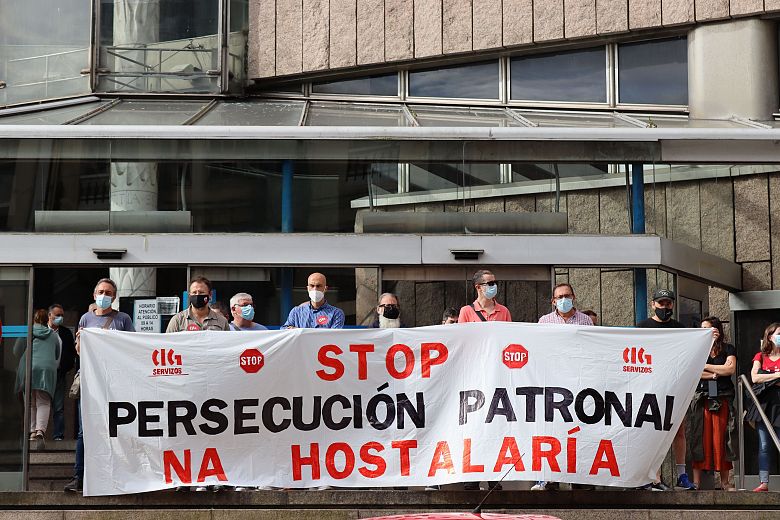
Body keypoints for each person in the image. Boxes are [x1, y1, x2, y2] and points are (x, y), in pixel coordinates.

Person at [65, 278, 135, 493]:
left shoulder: (122, 319)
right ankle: (79, 476)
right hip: (90, 382)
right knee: (84, 431)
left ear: (114, 297)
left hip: (114, 383)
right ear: (94, 295)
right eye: (101, 291)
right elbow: (80, 351)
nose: (104, 295)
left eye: (108, 292)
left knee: (115, 429)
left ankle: (117, 474)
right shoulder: (85, 319)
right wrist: (80, 341)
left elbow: (132, 346)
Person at [535, 283, 594, 491]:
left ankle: (578, 478)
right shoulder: (544, 322)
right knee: (553, 429)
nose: (563, 299)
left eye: (567, 295)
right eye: (559, 297)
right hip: (554, 382)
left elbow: (592, 349)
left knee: (578, 429)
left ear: (574, 297)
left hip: (578, 382)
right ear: (553, 301)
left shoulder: (585, 321)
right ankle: (550, 478)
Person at [636, 289, 695, 491]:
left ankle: (682, 476)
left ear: (673, 305)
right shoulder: (642, 327)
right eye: (660, 303)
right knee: (652, 431)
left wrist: (709, 337)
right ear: (653, 304)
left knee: (679, 430)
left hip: (675, 385)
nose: (664, 307)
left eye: (668, 303)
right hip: (650, 386)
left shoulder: (680, 328)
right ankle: (654, 477)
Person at [459, 269, 509, 491]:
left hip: (497, 376)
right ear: (478, 287)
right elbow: (462, 342)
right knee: (474, 426)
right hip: (474, 378)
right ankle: (472, 477)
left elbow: (509, 342)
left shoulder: (504, 311)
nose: (493, 286)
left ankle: (493, 477)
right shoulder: (466, 312)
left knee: (495, 425)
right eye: (489, 283)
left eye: (495, 282)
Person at [687, 316, 736, 491]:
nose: (704, 332)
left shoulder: (728, 348)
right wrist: (715, 373)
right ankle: (696, 482)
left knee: (722, 438)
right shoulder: (698, 349)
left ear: (717, 331)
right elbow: (693, 371)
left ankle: (724, 482)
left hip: (722, 397)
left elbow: (729, 369)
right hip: (702, 398)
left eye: (708, 329)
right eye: (702, 329)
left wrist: (706, 366)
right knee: (699, 437)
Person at [14, 309, 61, 447]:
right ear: (47, 320)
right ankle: (40, 431)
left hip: (29, 368)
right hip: (46, 370)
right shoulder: (53, 335)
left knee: (29, 402)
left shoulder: (28, 332)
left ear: (33, 319)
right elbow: (57, 353)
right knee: (43, 401)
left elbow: (16, 350)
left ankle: (32, 431)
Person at [748, 322, 780, 492]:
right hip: (764, 405)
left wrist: (767, 375)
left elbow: (761, 377)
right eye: (779, 334)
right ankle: (764, 482)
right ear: (769, 336)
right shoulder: (760, 356)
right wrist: (777, 375)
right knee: (764, 445)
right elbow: (755, 378)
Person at [48, 304, 76, 441]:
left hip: (59, 374)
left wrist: (64, 367)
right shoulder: (42, 331)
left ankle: (58, 435)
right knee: (40, 404)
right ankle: (36, 433)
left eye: (62, 315)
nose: (60, 318)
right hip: (43, 374)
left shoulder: (65, 333)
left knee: (58, 407)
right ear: (49, 315)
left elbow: (71, 353)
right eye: (57, 315)